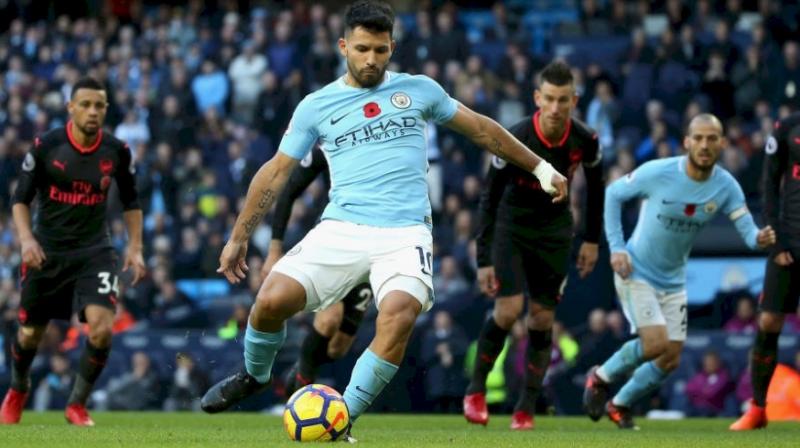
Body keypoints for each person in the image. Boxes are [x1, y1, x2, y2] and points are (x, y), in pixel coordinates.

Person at [199, 1, 568, 440]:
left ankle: (343, 417)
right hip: (341, 228)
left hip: (405, 233)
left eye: (379, 49)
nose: (371, 59)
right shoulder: (317, 106)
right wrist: (240, 236)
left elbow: (483, 129)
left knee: (398, 313)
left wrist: (541, 167)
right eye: (361, 49)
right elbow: (277, 171)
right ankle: (255, 376)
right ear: (343, 47)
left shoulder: (419, 90)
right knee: (270, 301)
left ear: (392, 46)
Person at [583, 113, 775, 430]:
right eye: (697, 138)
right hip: (637, 269)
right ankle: (600, 378)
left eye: (712, 138)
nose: (704, 144)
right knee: (656, 342)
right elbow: (614, 195)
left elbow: (749, 234)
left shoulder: (726, 187)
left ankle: (619, 404)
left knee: (670, 357)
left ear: (722, 144)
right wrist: (616, 247)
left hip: (673, 280)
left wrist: (760, 238)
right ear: (686, 142)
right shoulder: (659, 172)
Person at [463, 60, 604, 430]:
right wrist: (483, 258)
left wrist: (591, 240)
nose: (556, 108)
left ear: (574, 100)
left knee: (542, 318)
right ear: (537, 98)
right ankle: (475, 391)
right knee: (508, 311)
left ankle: (526, 408)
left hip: (556, 232)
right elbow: (489, 197)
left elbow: (597, 190)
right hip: (512, 227)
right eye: (550, 99)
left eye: (564, 100)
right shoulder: (515, 136)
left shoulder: (586, 140)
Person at [0, 77, 145, 426]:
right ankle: (18, 389)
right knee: (30, 334)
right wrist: (26, 240)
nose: (93, 112)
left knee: (101, 329)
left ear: (106, 110)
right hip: (47, 252)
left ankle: (77, 404)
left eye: (99, 106)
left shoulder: (117, 151)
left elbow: (131, 201)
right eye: (86, 104)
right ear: (71, 107)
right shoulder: (47, 146)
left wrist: (136, 247)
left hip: (95, 251)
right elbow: (20, 199)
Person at [260, 145, 375, 394]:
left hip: (372, 248)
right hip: (334, 242)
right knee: (328, 319)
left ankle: (302, 366)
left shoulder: (386, 145)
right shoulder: (331, 144)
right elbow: (289, 190)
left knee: (338, 347)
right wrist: (274, 248)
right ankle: (300, 393)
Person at [730, 112, 800, 430]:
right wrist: (775, 241)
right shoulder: (787, 126)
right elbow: (769, 183)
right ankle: (758, 408)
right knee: (770, 320)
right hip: (788, 239)